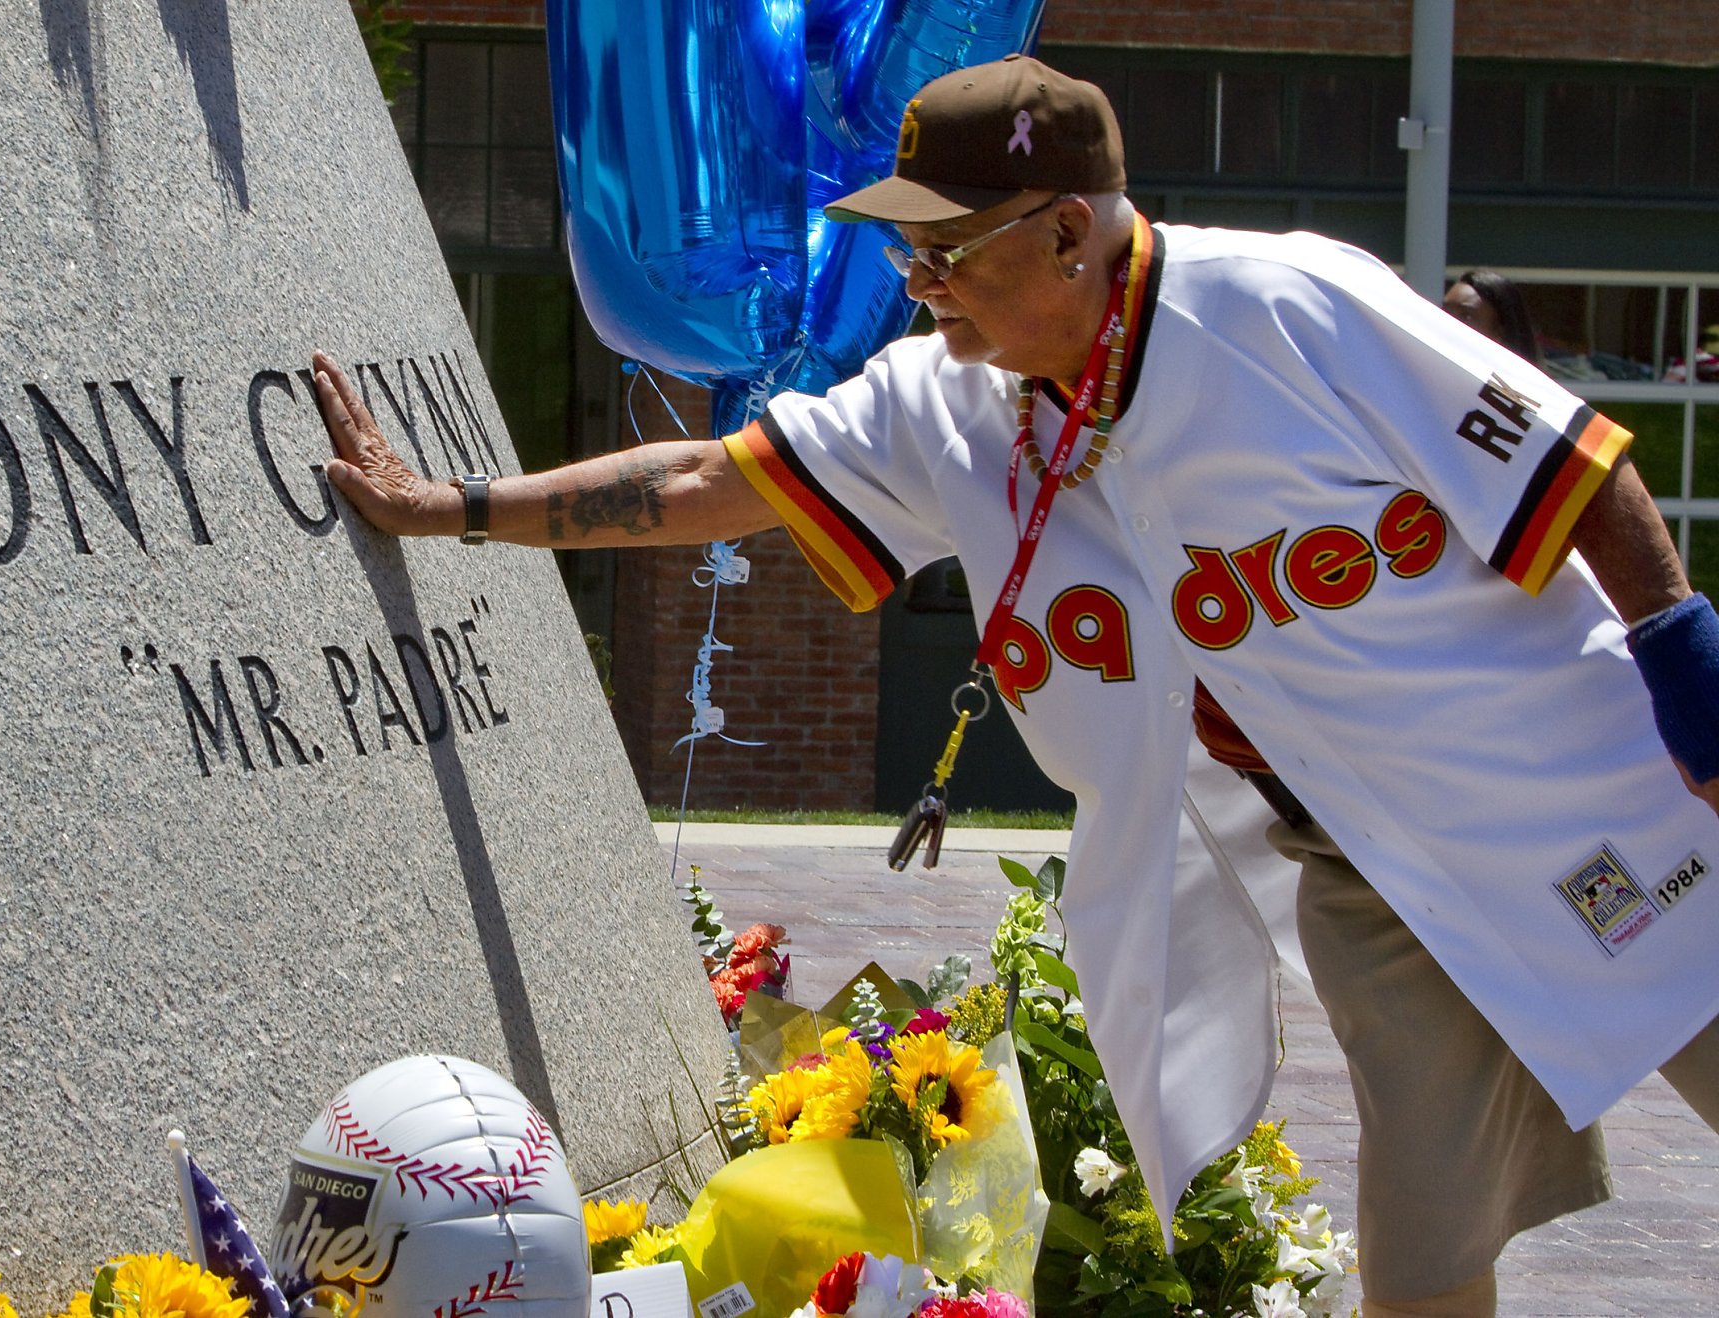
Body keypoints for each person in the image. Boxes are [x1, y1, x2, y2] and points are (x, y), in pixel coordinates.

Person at [314, 55, 1719, 1317]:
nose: (919, 286)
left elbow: (1569, 459)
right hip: (1364, 865)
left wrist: (1683, 657)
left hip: (1572, 775)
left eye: (946, 250)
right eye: (909, 251)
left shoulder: (1287, 303)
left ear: (1067, 230)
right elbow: (707, 477)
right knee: (1422, 1254)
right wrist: (449, 507)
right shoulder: (945, 404)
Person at [1442, 268, 1540, 362]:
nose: (1449, 323)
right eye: (1445, 313)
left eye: (1465, 317)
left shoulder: (1519, 378)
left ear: (1501, 333)